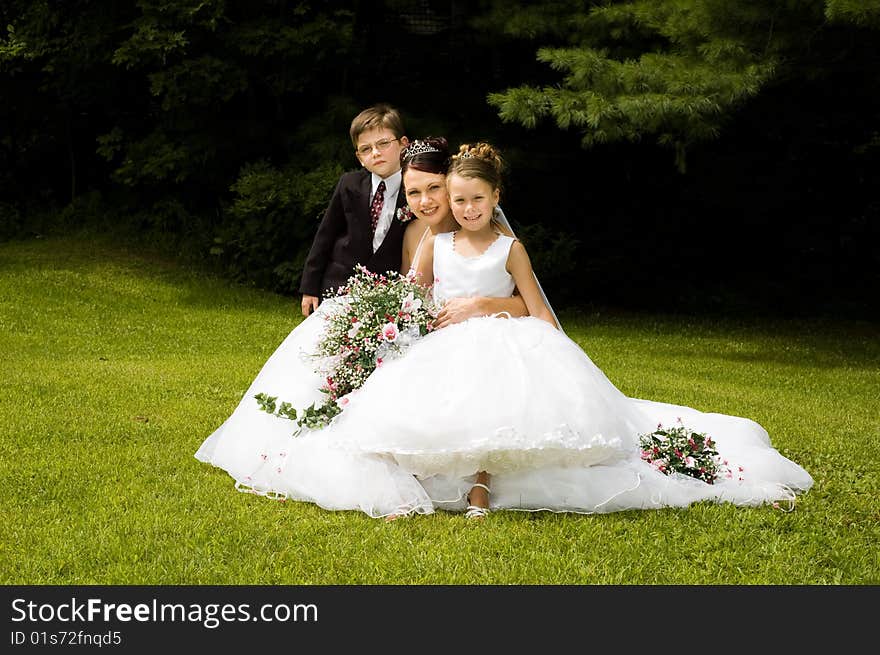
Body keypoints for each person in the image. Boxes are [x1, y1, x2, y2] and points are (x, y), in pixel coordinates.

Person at [319, 142, 814, 520]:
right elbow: (413, 299)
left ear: (495, 198)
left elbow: (541, 313)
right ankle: (431, 476)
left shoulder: (510, 250)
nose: (468, 209)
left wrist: (497, 314)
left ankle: (481, 487)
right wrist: (401, 326)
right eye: (459, 201)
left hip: (502, 339)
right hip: (446, 343)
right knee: (432, 403)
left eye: (478, 200)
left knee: (494, 395)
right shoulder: (435, 243)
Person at [194, 137, 528, 518]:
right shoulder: (417, 232)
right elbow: (412, 292)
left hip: (477, 336)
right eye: (414, 192)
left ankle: (470, 477)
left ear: (451, 184)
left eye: (435, 189)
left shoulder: (490, 236)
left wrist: (478, 306)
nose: (425, 201)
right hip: (427, 330)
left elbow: (525, 301)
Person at [299, 103, 410, 317]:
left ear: (403, 144)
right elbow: (325, 236)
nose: (376, 153)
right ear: (359, 157)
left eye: (383, 143)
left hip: (388, 293)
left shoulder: (415, 191)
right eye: (366, 149)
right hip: (338, 285)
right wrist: (310, 287)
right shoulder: (349, 184)